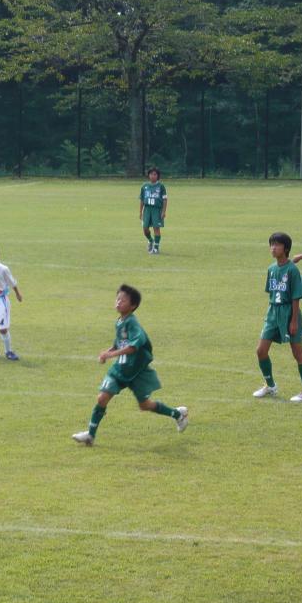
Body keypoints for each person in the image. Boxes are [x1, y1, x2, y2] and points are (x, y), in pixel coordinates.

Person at [72, 284, 188, 446]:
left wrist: (111, 355)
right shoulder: (120, 321)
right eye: (118, 298)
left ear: (133, 305)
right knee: (102, 398)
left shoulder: (133, 324)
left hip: (136, 371)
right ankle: (90, 436)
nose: (118, 302)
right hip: (120, 369)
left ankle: (178, 414)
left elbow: (133, 347)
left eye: (123, 300)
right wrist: (108, 352)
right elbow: (119, 343)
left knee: (144, 405)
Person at [253, 232, 302, 402]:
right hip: (273, 313)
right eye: (271, 244)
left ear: (286, 248)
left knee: (297, 352)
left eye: (277, 245)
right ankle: (270, 386)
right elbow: (272, 293)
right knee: (261, 351)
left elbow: (296, 297)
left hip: (289, 313)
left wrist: (293, 321)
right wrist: (271, 314)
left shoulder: (292, 270)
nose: (273, 248)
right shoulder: (271, 269)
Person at [139, 168, 167, 254]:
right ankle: (150, 240)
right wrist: (140, 212)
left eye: (155, 174)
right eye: (151, 174)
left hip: (156, 210)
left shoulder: (161, 186)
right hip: (147, 209)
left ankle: (156, 248)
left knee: (156, 228)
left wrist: (163, 211)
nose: (153, 176)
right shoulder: (144, 186)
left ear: (158, 176)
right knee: (145, 228)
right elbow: (142, 200)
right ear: (148, 175)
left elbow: (165, 200)